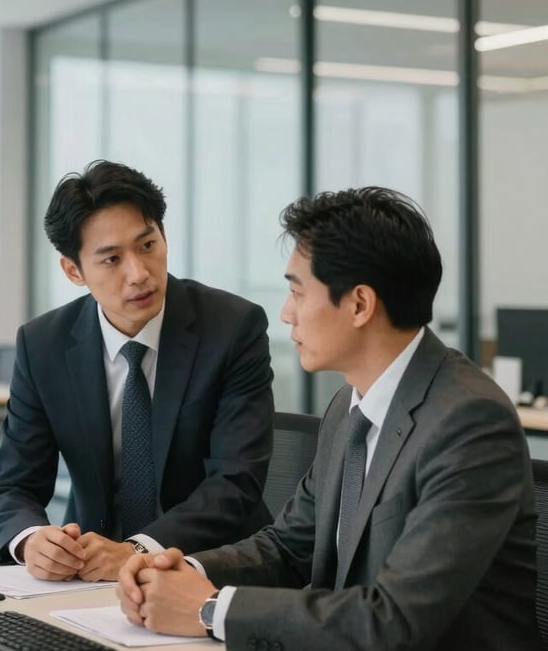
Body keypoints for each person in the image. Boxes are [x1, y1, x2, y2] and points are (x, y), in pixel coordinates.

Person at [117, 186, 541, 651]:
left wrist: (210, 609)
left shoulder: (469, 424)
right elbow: (289, 545)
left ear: (360, 304)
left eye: (297, 291)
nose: (285, 313)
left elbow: (394, 621)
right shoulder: (350, 405)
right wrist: (182, 574)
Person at [0, 159, 274, 582]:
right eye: (111, 259)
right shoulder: (43, 345)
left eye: (147, 246)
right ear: (73, 270)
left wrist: (135, 551)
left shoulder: (232, 329)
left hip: (205, 569)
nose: (138, 274)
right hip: (86, 575)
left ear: (163, 236)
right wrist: (32, 541)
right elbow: (12, 485)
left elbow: (235, 483)